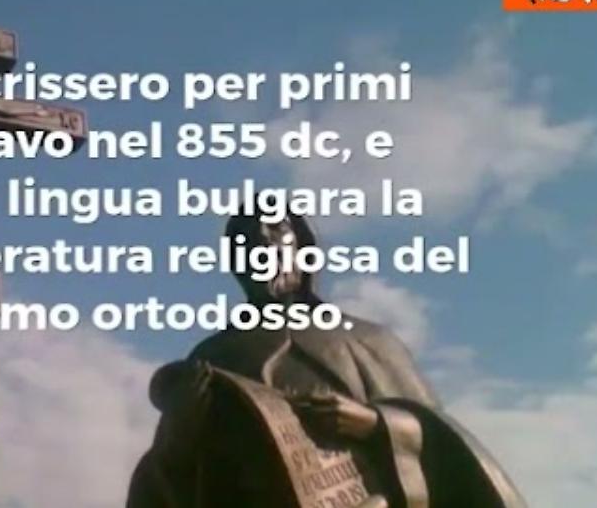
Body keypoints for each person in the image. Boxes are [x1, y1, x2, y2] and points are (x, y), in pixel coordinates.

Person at [126, 208, 525, 507]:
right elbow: (172, 482)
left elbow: (444, 450)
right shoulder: (214, 357)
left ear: (304, 249)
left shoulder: (366, 341)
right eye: (247, 239)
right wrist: (175, 440)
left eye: (276, 230)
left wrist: (374, 423)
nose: (262, 241)